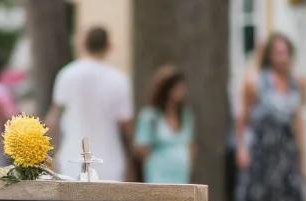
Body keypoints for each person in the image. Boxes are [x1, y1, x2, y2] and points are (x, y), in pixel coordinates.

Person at [236, 32, 306, 201]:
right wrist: (242, 148)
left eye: (285, 52)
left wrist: (302, 155)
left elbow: (297, 120)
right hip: (264, 149)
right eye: (277, 52)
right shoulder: (256, 82)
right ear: (269, 55)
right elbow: (243, 119)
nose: (281, 57)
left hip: (287, 149)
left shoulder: (298, 83)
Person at [47, 26, 133, 181]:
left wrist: (52, 153)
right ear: (109, 46)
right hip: (109, 160)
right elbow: (126, 125)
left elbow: (53, 120)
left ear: (83, 44)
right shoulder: (119, 79)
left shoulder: (67, 74)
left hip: (71, 157)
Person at [133, 65, 196, 184]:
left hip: (181, 174)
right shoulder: (150, 116)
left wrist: (185, 161)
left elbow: (190, 144)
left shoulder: (186, 115)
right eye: (177, 87)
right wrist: (160, 159)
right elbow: (141, 147)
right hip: (158, 173)